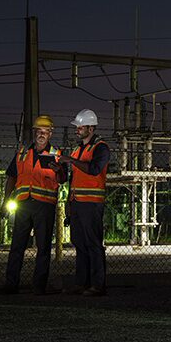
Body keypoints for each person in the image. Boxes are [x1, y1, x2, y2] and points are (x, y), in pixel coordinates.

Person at [0, 115, 65, 295]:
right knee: (17, 245)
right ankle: (11, 284)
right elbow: (11, 177)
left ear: (50, 134)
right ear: (34, 133)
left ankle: (39, 286)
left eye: (45, 132)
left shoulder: (57, 155)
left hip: (45, 206)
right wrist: (6, 201)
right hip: (24, 204)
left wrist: (59, 171)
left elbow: (64, 179)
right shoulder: (22, 154)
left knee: (43, 247)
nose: (41, 135)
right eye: (38, 131)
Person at [61, 108, 110, 296]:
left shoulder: (101, 147)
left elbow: (94, 170)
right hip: (77, 202)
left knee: (93, 244)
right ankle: (82, 283)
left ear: (91, 128)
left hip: (91, 203)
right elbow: (75, 178)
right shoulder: (78, 149)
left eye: (80, 127)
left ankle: (98, 285)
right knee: (79, 243)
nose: (77, 129)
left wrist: (71, 160)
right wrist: (68, 202)